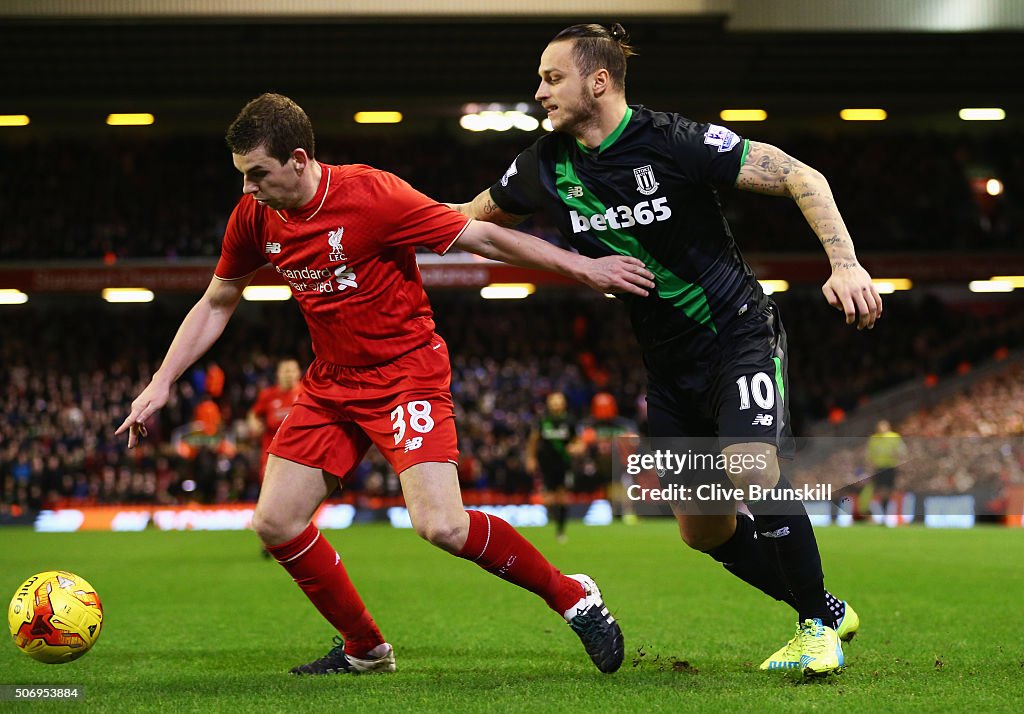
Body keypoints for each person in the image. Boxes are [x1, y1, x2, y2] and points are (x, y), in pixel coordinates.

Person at [117, 93, 656, 675]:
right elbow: (218, 299)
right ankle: (365, 648)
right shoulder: (254, 216)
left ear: (298, 160)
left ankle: (573, 595)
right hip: (331, 383)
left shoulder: (372, 195)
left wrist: (584, 266)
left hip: (406, 373)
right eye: (243, 177)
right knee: (274, 521)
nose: (248, 190)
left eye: (257, 175)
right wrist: (162, 382)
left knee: (442, 526)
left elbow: (485, 238)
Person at [450, 23, 884, 676]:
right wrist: (381, 220)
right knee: (701, 530)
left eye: (551, 77)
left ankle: (817, 627)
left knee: (750, 467)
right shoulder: (546, 163)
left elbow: (800, 174)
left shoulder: (673, 142)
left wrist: (845, 263)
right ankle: (824, 603)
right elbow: (466, 216)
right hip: (668, 366)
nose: (539, 91)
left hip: (738, 336)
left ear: (598, 82)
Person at [526, 391, 577, 542]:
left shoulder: (570, 421)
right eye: (553, 401)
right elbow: (533, 440)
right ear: (549, 403)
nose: (555, 404)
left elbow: (577, 441)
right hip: (546, 463)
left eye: (558, 401)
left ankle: (561, 530)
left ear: (563, 404)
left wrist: (576, 447)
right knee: (548, 498)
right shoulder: (543, 421)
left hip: (564, 463)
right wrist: (531, 458)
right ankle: (553, 522)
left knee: (562, 496)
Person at [247, 358, 303, 482]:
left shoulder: (306, 393)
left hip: (300, 451)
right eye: (285, 371)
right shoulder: (268, 395)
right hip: (272, 452)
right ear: (278, 374)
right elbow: (253, 413)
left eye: (292, 371)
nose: (289, 375)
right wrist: (253, 424)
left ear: (298, 373)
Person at [864, 419, 907, 521]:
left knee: (889, 490)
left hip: (890, 466)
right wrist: (870, 465)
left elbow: (902, 451)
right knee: (880, 490)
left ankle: (890, 512)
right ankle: (881, 512)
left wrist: (897, 456)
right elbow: (869, 454)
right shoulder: (873, 439)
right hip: (879, 467)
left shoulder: (894, 437)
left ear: (888, 427)